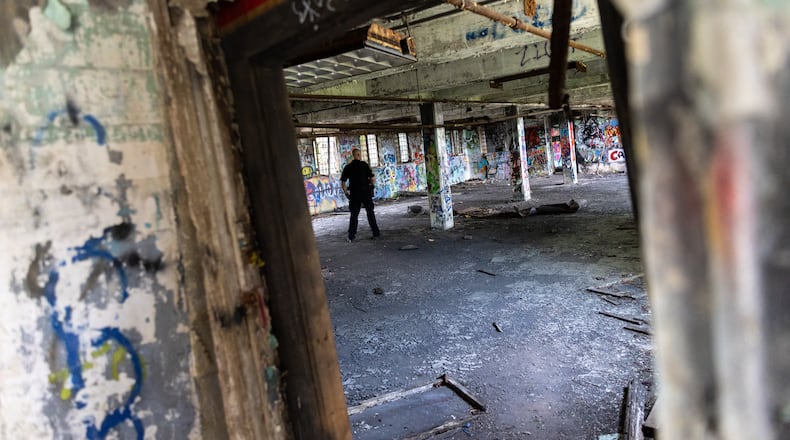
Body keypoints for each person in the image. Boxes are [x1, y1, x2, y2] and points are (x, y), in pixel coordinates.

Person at [340, 148, 380, 242]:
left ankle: (351, 236)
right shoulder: (364, 165)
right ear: (358, 155)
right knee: (370, 213)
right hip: (366, 193)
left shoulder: (348, 167)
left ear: (353, 155)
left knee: (354, 215)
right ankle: (376, 233)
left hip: (354, 194)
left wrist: (346, 193)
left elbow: (343, 183)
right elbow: (372, 178)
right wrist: (372, 186)